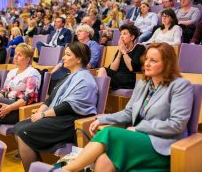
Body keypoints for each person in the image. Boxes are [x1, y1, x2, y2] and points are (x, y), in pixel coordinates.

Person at [63, 42, 193, 172]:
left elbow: (177, 124)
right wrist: (102, 119)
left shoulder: (180, 86)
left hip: (162, 146)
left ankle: (68, 170)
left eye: (153, 61)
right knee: (104, 159)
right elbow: (128, 113)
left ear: (167, 63)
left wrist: (138, 128)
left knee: (108, 132)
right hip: (136, 140)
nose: (147, 64)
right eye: (146, 59)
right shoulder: (143, 84)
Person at [14, 42, 98, 171]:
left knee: (23, 132)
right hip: (57, 117)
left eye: (68, 55)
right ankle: (39, 168)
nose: (63, 57)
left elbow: (69, 106)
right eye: (64, 54)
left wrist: (42, 115)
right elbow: (50, 99)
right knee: (19, 126)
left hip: (70, 121)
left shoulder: (85, 79)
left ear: (79, 59)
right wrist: (39, 113)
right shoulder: (67, 76)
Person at [0, 43, 41, 126]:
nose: (15, 57)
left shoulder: (32, 73)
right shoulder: (12, 72)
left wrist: (9, 107)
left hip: (18, 110)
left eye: (19, 55)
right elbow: (4, 92)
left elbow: (29, 98)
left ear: (27, 59)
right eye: (15, 54)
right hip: (5, 106)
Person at [50, 24, 101, 94]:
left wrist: (77, 68)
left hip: (79, 69)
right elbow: (63, 60)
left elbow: (93, 60)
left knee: (60, 79)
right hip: (69, 67)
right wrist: (54, 70)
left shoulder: (92, 44)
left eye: (80, 31)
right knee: (53, 76)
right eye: (77, 33)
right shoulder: (75, 45)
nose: (78, 34)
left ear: (88, 33)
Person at [97, 24, 145, 90]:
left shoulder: (139, 48)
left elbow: (132, 68)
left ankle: (99, 96)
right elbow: (113, 69)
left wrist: (124, 52)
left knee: (104, 82)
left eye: (124, 34)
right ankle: (100, 96)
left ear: (132, 37)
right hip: (117, 76)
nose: (121, 37)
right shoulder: (121, 49)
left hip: (129, 79)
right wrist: (120, 52)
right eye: (120, 34)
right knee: (102, 69)